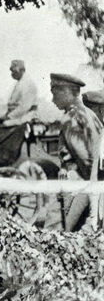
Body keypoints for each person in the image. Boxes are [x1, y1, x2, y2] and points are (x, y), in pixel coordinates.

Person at [50, 73, 103, 232]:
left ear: (66, 92)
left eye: (55, 93)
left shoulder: (70, 118)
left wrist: (93, 189)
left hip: (79, 185)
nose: (53, 100)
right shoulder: (89, 113)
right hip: (92, 184)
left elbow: (86, 159)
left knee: (68, 232)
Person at [0, 60, 39, 167]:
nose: (12, 74)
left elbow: (24, 107)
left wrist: (7, 117)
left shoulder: (27, 83)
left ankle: (4, 159)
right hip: (18, 116)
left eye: (14, 71)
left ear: (21, 70)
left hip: (25, 117)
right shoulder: (21, 82)